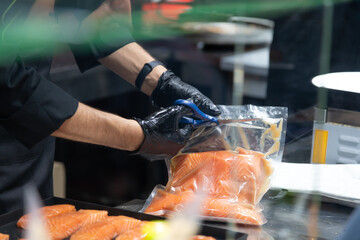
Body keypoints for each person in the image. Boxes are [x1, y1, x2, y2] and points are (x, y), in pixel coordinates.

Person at [0, 0, 220, 214]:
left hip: (32, 157)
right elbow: (11, 87)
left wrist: (161, 82)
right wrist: (141, 136)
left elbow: (93, 21)